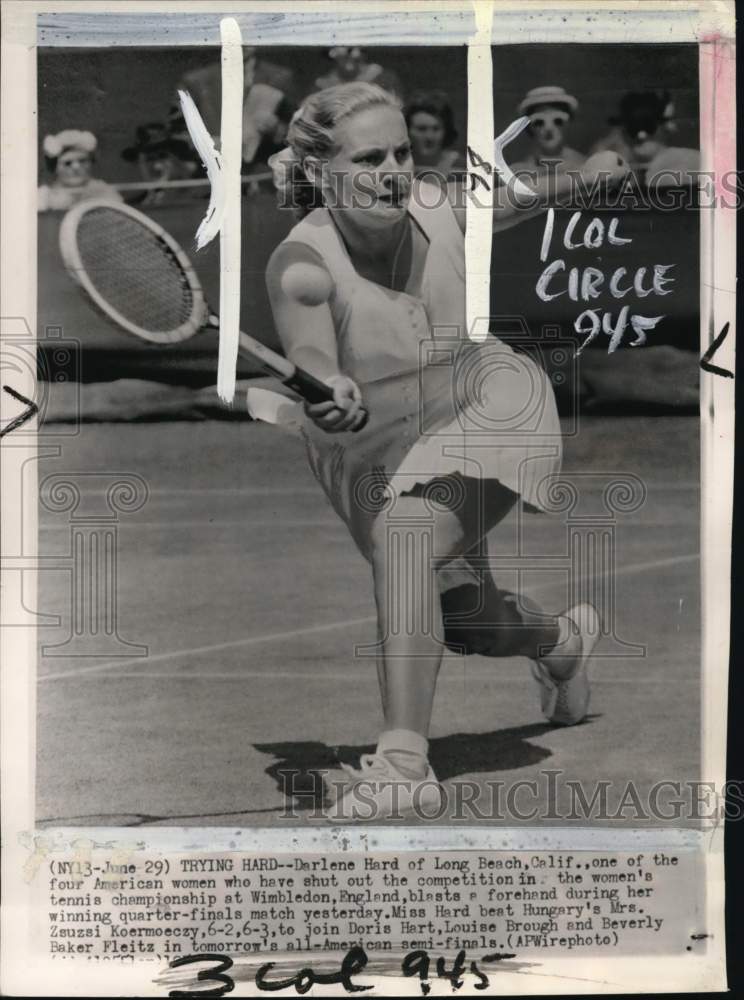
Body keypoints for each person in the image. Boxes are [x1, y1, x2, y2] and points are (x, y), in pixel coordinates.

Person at [263, 83, 626, 821]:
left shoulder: (440, 204)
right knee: (465, 621)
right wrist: (328, 389)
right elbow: (312, 355)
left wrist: (591, 175)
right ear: (319, 170)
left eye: (401, 151)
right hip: (376, 449)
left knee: (405, 545)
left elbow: (530, 194)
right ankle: (561, 642)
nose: (394, 171)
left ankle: (402, 765)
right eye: (369, 158)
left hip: (485, 401)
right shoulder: (303, 266)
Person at [177, 48, 296, 169]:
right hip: (213, 173)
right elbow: (178, 131)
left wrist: (277, 130)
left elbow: (297, 129)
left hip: (262, 174)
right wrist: (206, 145)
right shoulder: (195, 81)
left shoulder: (280, 77)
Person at [591, 91, 700, 184]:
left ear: (664, 126)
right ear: (623, 131)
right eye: (633, 126)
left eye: (648, 125)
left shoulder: (690, 161)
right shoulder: (622, 170)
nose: (641, 135)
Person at [38, 130, 123, 212]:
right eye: (68, 163)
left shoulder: (106, 193)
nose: (76, 167)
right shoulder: (44, 197)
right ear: (54, 167)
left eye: (83, 161)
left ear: (91, 162)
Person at [509, 86, 585, 176]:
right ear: (529, 127)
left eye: (558, 121)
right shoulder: (516, 174)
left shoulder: (584, 166)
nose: (548, 128)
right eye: (539, 122)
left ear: (568, 124)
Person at [404, 90, 465, 182]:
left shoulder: (461, 166)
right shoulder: (399, 163)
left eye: (436, 129)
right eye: (422, 129)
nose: (429, 137)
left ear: (446, 130)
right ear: (407, 130)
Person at [314, 47, 402, 98]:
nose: (349, 58)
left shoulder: (381, 75)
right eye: (344, 58)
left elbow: (397, 104)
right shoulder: (323, 83)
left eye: (350, 48)